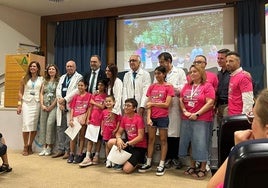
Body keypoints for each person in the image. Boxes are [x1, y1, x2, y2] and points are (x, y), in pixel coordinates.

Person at [207, 89, 268, 188]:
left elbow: (212, 186)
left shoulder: (253, 169)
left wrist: (238, 150)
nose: (251, 125)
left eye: (253, 118)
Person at [179, 64, 215, 180]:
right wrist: (184, 110)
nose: (192, 74)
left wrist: (197, 114)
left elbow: (210, 103)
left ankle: (203, 168)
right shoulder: (186, 86)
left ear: (201, 73)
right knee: (190, 143)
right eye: (191, 72)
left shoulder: (207, 86)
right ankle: (192, 166)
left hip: (202, 119)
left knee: (201, 143)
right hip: (187, 118)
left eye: (195, 71)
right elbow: (181, 99)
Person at [138, 66, 174, 176]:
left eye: (159, 73)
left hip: (163, 117)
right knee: (151, 140)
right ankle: (148, 162)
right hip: (152, 117)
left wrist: (154, 104)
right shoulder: (152, 87)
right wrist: (148, 118)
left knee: (163, 140)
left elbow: (167, 104)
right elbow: (148, 104)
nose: (157, 75)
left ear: (164, 74)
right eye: (156, 73)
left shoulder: (169, 87)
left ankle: (161, 164)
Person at [157, 52, 186, 169]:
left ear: (169, 61)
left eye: (162, 62)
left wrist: (170, 87)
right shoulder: (159, 72)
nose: (160, 64)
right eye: (159, 62)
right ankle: (167, 158)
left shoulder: (179, 72)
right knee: (164, 134)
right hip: (161, 108)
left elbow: (183, 87)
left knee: (175, 133)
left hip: (174, 105)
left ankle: (175, 157)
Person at [107, 98, 147, 174]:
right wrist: (119, 139)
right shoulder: (124, 118)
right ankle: (124, 160)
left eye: (128, 106)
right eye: (125, 105)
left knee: (126, 170)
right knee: (110, 142)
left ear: (134, 108)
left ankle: (139, 161)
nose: (126, 107)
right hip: (128, 145)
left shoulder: (139, 119)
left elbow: (140, 137)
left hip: (139, 147)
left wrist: (128, 143)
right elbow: (118, 133)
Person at [52, 60, 82, 159]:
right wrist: (60, 101)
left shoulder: (79, 77)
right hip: (61, 105)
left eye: (71, 66)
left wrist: (65, 100)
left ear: (75, 67)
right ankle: (60, 149)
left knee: (69, 129)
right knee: (60, 128)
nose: (69, 68)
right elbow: (58, 89)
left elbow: (77, 91)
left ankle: (68, 150)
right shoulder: (62, 77)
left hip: (70, 105)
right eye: (67, 66)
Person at [79, 79, 107, 167]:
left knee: (98, 140)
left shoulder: (105, 96)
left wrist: (94, 102)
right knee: (90, 139)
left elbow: (103, 106)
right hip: (92, 120)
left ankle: (96, 155)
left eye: (101, 85)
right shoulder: (94, 95)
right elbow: (90, 107)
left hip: (100, 120)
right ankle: (87, 156)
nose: (99, 87)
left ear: (105, 87)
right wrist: (88, 118)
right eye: (98, 85)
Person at [17, 61, 43, 156]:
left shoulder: (42, 79)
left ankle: (30, 145)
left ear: (38, 68)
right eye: (31, 66)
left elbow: (42, 92)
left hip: (36, 103)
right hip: (27, 103)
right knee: (26, 125)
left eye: (34, 66)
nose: (32, 68)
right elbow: (20, 92)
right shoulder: (24, 78)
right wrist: (19, 104)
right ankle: (25, 146)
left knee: (33, 126)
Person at [67, 79, 92, 163]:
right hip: (75, 119)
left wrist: (86, 118)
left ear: (86, 86)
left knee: (82, 137)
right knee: (72, 137)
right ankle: (71, 153)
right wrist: (71, 119)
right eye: (79, 85)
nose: (80, 87)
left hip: (82, 119)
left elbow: (89, 108)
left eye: (82, 85)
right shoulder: (75, 96)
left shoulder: (89, 96)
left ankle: (80, 154)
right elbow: (72, 108)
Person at [39, 64, 60, 156]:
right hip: (44, 105)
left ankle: (49, 146)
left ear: (56, 71)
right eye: (49, 69)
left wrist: (52, 106)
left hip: (53, 105)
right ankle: (44, 146)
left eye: (53, 69)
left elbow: (58, 94)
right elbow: (41, 93)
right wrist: (42, 104)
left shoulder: (58, 81)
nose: (51, 70)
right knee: (43, 124)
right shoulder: (45, 81)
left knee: (50, 124)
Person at [226, 51, 254, 116]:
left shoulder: (243, 77)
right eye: (226, 61)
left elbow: (248, 101)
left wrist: (243, 119)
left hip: (239, 116)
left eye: (231, 61)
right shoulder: (233, 75)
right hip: (232, 114)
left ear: (238, 62)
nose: (227, 63)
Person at [99, 95, 121, 168]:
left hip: (113, 132)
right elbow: (102, 121)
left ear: (114, 102)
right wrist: (102, 129)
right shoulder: (104, 111)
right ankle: (108, 159)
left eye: (110, 101)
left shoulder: (116, 112)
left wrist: (116, 129)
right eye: (106, 101)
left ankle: (113, 160)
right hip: (106, 131)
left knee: (114, 146)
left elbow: (118, 121)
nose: (108, 103)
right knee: (106, 145)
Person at [215, 49, 230, 126]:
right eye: (218, 58)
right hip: (220, 106)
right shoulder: (219, 74)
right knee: (221, 131)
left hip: (229, 106)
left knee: (227, 130)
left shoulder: (233, 73)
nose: (219, 60)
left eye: (221, 58)